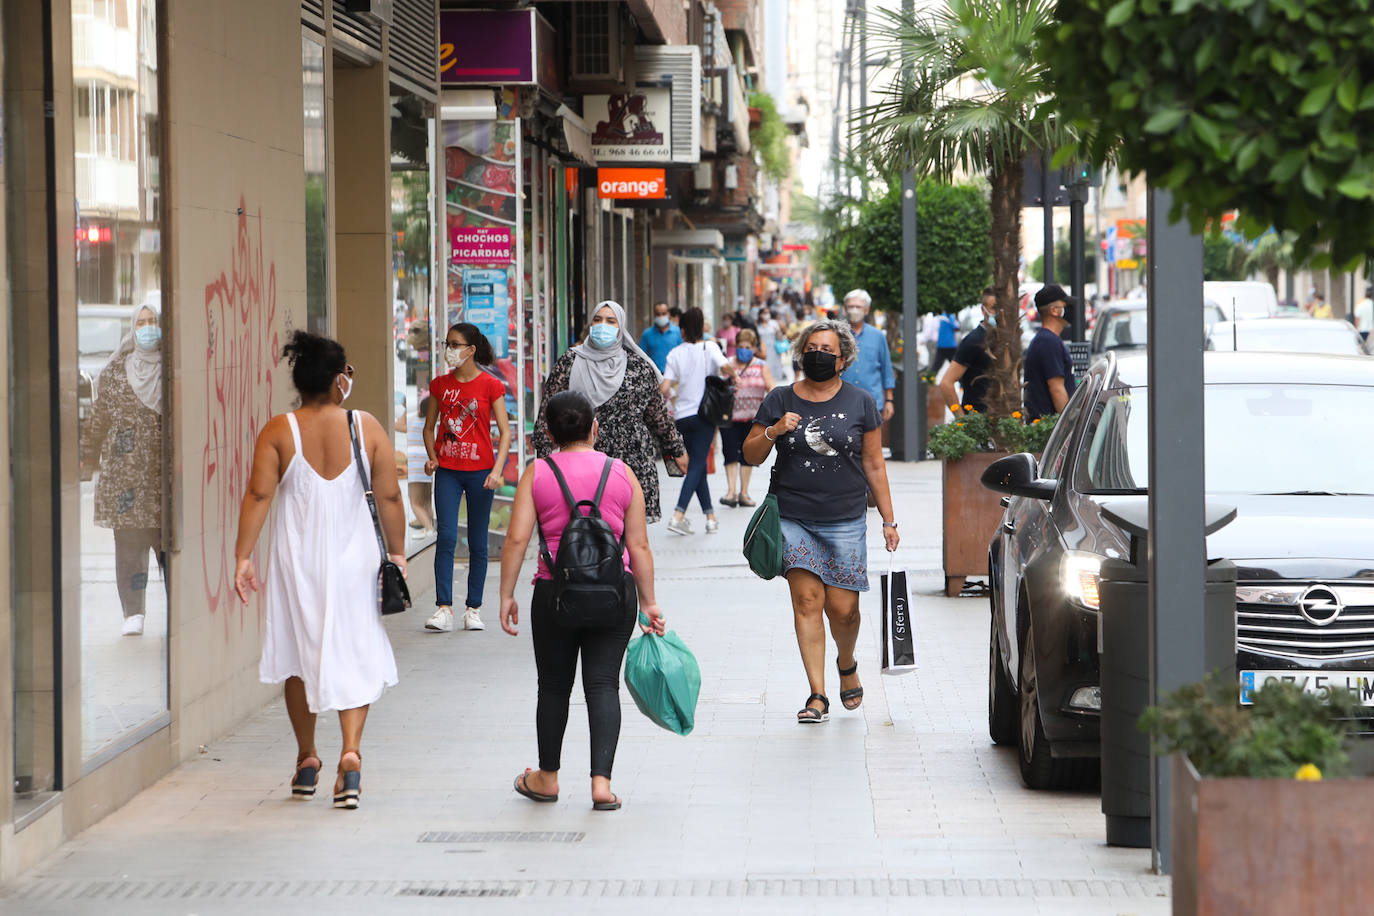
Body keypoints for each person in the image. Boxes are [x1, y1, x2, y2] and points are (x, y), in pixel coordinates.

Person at [234, 330, 404, 809]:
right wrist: (396, 553)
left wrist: (242, 556)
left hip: (298, 561)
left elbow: (258, 495)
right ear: (336, 380)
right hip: (357, 563)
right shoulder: (365, 426)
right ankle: (350, 754)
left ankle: (307, 757)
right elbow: (390, 496)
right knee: (355, 647)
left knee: (297, 652)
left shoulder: (278, 430)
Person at [498, 391, 665, 811]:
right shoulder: (621, 473)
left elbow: (517, 539)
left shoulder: (537, 473)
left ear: (548, 434)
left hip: (555, 593)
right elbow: (639, 545)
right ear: (594, 428)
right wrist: (649, 603)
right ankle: (601, 785)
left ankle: (547, 779)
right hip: (615, 594)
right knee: (602, 684)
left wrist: (505, 595)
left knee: (553, 686)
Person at [742, 320, 900, 724]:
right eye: (811, 347)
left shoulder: (861, 402)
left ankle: (846, 661)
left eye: (827, 349)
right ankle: (817, 693)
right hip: (794, 515)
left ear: (842, 359)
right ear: (800, 353)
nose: (818, 355)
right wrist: (775, 430)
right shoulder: (779, 399)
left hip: (845, 518)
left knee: (844, 610)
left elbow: (874, 463)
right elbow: (751, 455)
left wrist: (888, 519)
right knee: (807, 602)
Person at [534, 301, 687, 524]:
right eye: (597, 320)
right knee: (586, 532)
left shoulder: (638, 366)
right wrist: (544, 457)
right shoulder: (571, 361)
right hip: (582, 462)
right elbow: (549, 410)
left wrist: (676, 449)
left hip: (631, 461)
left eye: (610, 321)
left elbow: (657, 415)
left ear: (621, 327)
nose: (602, 325)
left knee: (628, 538)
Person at [81, 299, 165, 637]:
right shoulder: (117, 370)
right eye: (141, 322)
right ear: (133, 328)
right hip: (125, 478)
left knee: (166, 545)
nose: (147, 328)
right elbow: (99, 419)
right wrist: (86, 458)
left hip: (162, 479)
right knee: (129, 546)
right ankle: (134, 611)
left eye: (153, 321)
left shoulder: (173, 368)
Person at [423, 323, 511, 633]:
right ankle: (443, 607)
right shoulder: (439, 385)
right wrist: (432, 458)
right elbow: (428, 426)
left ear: (471, 350)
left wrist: (497, 470)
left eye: (456, 344)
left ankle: (473, 608)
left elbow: (505, 433)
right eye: (447, 343)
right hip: (447, 472)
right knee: (446, 537)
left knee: (477, 541)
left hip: (481, 474)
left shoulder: (491, 385)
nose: (450, 349)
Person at [661, 307, 737, 535]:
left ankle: (710, 517)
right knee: (696, 464)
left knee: (698, 465)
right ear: (702, 327)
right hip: (705, 416)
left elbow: (665, 387)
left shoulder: (674, 354)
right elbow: (724, 366)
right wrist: (736, 375)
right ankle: (678, 514)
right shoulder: (709, 347)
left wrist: (665, 395)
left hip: (682, 418)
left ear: (682, 330)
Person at [719, 328, 775, 508]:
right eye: (741, 346)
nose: (744, 349)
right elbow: (718, 387)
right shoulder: (727, 364)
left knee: (747, 455)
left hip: (753, 418)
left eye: (748, 347)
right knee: (729, 453)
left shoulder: (761, 365)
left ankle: (744, 492)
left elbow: (772, 388)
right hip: (729, 416)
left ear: (754, 348)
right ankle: (731, 492)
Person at [838, 289, 896, 424]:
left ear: (866, 310)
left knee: (873, 444)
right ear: (845, 309)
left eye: (858, 307)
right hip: (842, 403)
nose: (854, 310)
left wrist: (889, 400)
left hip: (873, 403)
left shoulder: (878, 336)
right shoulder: (838, 335)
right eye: (851, 306)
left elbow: (886, 370)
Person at [1022, 284, 1078, 421]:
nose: (1070, 309)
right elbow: (1057, 390)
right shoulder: (1049, 342)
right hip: (1049, 430)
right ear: (1054, 310)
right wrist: (1068, 426)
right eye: (1065, 305)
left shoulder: (1047, 340)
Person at [939, 287, 995, 416]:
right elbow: (946, 384)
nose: (999, 313)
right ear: (983, 309)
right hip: (979, 422)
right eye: (994, 307)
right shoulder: (973, 341)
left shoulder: (1007, 340)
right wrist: (963, 421)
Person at [405, 394, 435, 534]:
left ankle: (429, 529)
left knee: (415, 502)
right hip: (428, 463)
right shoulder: (432, 424)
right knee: (427, 500)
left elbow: (398, 425)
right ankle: (431, 528)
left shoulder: (412, 420)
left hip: (414, 464)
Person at [638, 301, 683, 372]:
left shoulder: (678, 332)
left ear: (668, 314)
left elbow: (683, 354)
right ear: (654, 315)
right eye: (658, 314)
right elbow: (641, 356)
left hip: (674, 377)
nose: (661, 316)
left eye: (664, 313)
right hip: (654, 377)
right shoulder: (647, 334)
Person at [932, 309, 961, 376]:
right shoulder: (949, 316)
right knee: (957, 367)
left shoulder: (941, 316)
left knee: (935, 367)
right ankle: (963, 384)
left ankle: (929, 381)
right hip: (950, 345)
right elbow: (956, 327)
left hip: (941, 345)